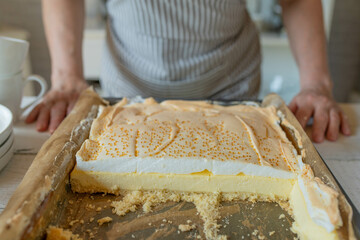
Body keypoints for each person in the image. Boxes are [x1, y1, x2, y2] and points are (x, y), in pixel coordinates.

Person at [26, 0, 351, 143]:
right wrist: (67, 78)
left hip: (230, 87)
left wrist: (316, 84)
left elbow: (295, 0)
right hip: (129, 86)